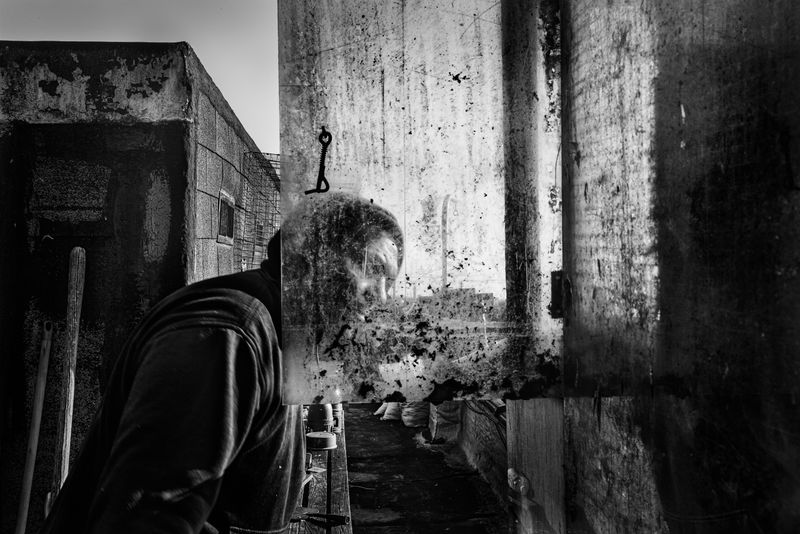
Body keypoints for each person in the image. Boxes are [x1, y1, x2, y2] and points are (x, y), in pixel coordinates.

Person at [40, 193, 403, 534]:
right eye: (373, 268)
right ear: (316, 257)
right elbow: (145, 520)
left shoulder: (278, 338)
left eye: (391, 283)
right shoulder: (230, 334)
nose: (383, 298)